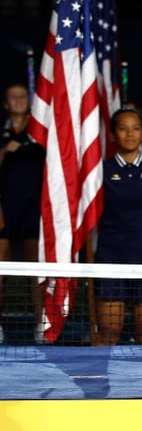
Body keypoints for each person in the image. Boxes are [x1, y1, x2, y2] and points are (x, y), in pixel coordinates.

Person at [94, 107, 142, 346]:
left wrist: (141, 237)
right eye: (123, 128)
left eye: (135, 128)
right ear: (112, 135)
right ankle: (97, 382)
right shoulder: (100, 170)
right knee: (108, 330)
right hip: (110, 257)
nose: (129, 134)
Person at [0, 83, 45, 343]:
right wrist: (6, 151)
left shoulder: (40, 131)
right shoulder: (2, 131)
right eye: (12, 97)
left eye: (22, 96)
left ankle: (41, 324)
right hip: (5, 209)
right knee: (1, 271)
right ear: (6, 104)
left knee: (35, 271)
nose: (18, 100)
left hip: (34, 209)